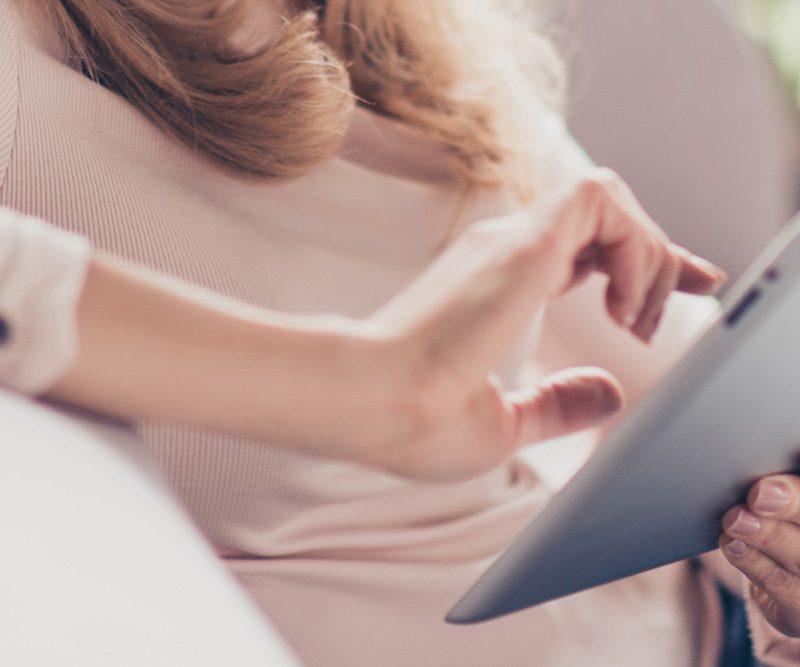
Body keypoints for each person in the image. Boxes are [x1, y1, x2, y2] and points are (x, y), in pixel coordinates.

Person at [1, 0, 799, 664]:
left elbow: (671, 373)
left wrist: (778, 583)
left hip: (699, 632)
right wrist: (364, 383)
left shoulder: (408, 26)